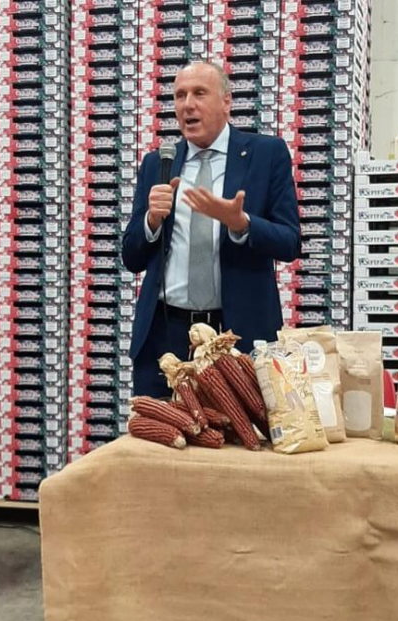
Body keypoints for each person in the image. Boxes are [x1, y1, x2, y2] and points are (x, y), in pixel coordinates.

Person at [122, 61, 301, 398]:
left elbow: (290, 242)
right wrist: (151, 221)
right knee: (160, 432)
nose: (187, 105)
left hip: (236, 334)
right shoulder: (158, 163)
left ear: (226, 101)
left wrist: (242, 224)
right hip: (165, 335)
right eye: (180, 96)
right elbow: (131, 257)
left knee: (238, 432)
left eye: (199, 93)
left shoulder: (266, 154)